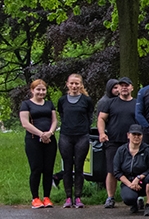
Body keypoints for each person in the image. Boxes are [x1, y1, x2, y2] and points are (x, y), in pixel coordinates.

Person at [97, 77, 137, 208]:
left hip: (132, 143)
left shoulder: (137, 104)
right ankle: (110, 197)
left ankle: (136, 196)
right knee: (111, 170)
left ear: (132, 88)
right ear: (118, 88)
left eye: (127, 85)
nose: (124, 88)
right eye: (121, 86)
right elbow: (101, 118)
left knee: (134, 170)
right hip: (113, 141)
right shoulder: (110, 103)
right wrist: (102, 133)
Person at [56, 73, 93, 208]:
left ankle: (78, 197)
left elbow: (90, 116)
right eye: (72, 83)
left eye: (77, 83)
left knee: (79, 167)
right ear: (67, 84)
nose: (74, 86)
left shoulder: (86, 100)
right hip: (66, 136)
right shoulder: (62, 101)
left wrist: (84, 130)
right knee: (67, 167)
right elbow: (62, 114)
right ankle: (67, 198)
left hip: (82, 136)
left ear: (81, 85)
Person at [20, 79, 57, 208]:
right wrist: (41, 134)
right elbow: (25, 123)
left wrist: (50, 133)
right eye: (38, 89)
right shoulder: (26, 104)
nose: (41, 92)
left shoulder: (49, 104)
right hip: (33, 140)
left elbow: (54, 121)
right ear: (32, 90)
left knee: (48, 169)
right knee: (36, 169)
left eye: (43, 89)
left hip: (50, 140)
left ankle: (47, 197)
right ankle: (35, 198)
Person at [113, 125, 149, 216]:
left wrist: (138, 178)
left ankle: (148, 205)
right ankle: (134, 203)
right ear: (128, 135)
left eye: (139, 135)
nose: (136, 137)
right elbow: (117, 172)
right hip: (128, 181)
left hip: (143, 181)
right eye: (134, 134)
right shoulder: (121, 150)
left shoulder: (147, 149)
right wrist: (130, 184)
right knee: (128, 198)